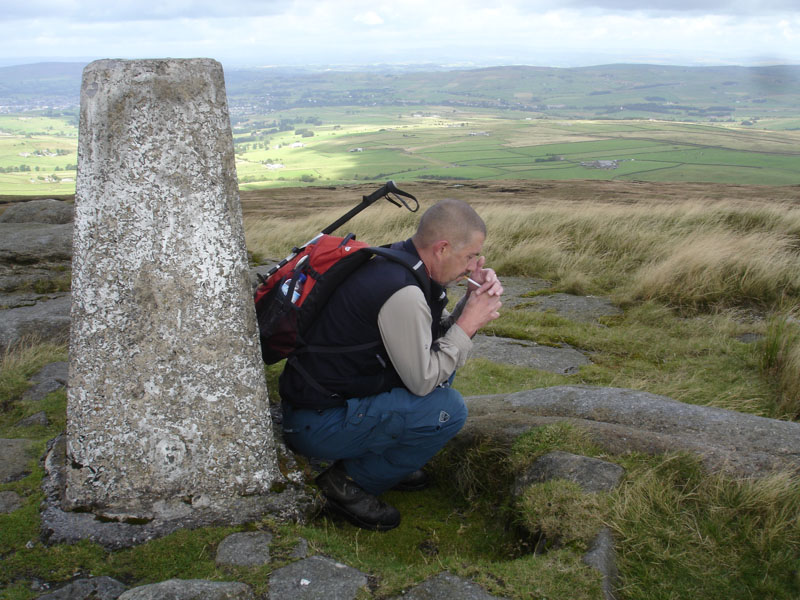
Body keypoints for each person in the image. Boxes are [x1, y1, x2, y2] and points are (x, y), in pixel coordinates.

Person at [279, 198, 503, 531]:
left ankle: (386, 460)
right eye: (470, 256)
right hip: (318, 424)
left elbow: (430, 341)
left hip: (319, 405)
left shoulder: (399, 263)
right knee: (448, 409)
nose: (473, 267)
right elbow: (424, 380)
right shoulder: (403, 292)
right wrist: (468, 325)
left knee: (445, 371)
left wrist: (468, 304)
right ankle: (347, 482)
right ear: (442, 248)